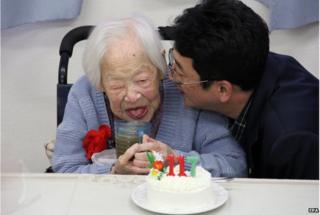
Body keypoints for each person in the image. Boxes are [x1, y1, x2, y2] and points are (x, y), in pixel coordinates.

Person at [52, 14, 247, 177]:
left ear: (160, 67)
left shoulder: (187, 93)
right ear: (99, 83)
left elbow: (234, 165)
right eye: (117, 85)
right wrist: (113, 171)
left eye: (142, 80)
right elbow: (64, 169)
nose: (132, 96)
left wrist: (175, 162)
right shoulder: (84, 93)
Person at [168, 0, 319, 179]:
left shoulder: (290, 142)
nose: (171, 77)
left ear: (223, 90)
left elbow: (301, 206)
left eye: (180, 71)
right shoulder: (245, 61)